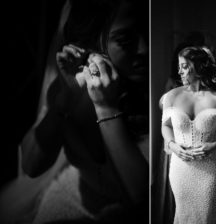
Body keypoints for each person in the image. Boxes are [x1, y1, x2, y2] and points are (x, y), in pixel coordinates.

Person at [2, 0, 149, 223]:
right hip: (76, 195)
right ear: (91, 44)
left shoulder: (157, 93)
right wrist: (64, 99)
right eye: (125, 39)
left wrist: (106, 107)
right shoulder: (73, 86)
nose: (145, 49)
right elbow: (31, 166)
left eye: (146, 33)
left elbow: (142, 198)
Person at [161, 46, 216, 224]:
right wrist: (173, 146)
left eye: (184, 66)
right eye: (179, 66)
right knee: (183, 216)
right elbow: (165, 127)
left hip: (210, 169)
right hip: (181, 169)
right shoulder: (171, 96)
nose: (179, 71)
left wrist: (215, 145)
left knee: (207, 217)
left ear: (198, 67)